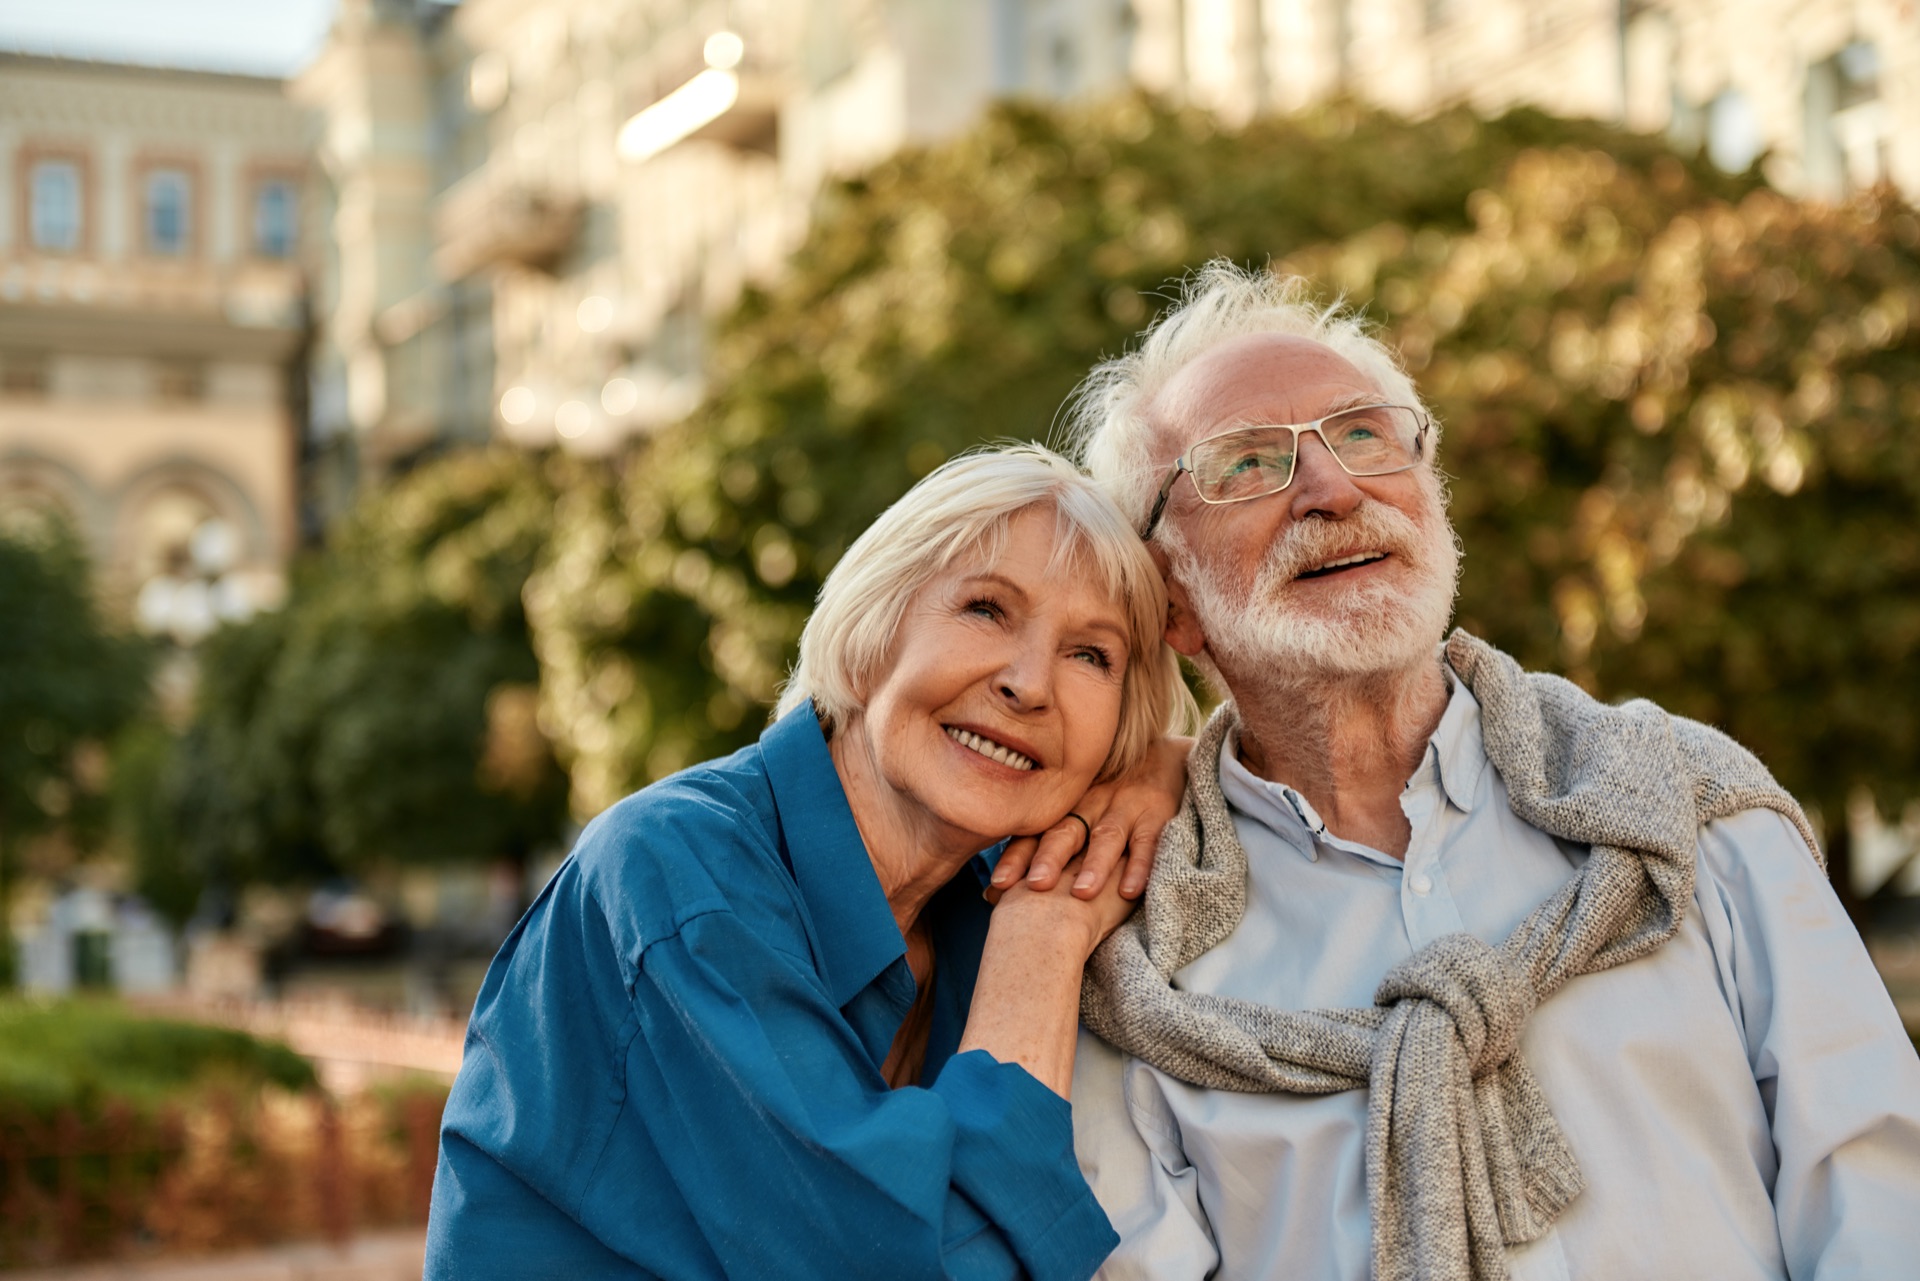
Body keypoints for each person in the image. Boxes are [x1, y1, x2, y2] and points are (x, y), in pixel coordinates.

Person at [1064, 261, 1920, 1281]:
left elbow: (1877, 1192)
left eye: (1365, 434)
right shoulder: (1133, 952)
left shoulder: (1692, 801)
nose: (1332, 489)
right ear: (1172, 604)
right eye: (1247, 465)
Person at [425, 445, 1196, 1280]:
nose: (1029, 683)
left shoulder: (977, 901)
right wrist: (1044, 932)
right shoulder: (679, 876)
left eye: (1093, 655)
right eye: (986, 608)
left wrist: (1181, 768)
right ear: (872, 635)